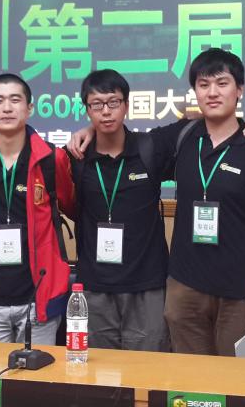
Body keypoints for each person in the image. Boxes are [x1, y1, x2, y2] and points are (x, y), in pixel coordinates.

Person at [70, 48, 245, 356]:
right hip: (184, 289)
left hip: (239, 292)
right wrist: (91, 127)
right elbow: (120, 135)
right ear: (194, 91)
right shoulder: (182, 137)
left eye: (222, 83)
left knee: (236, 378)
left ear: (240, 89)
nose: (212, 92)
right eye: (203, 84)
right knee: (188, 378)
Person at [0, 73, 75, 344]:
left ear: (30, 108)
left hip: (38, 298)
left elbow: (72, 206)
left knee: (37, 373)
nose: (7, 107)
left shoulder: (52, 159)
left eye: (15, 100)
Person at [69, 69, 169, 350]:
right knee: (99, 370)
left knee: (147, 368)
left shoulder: (150, 148)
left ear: (126, 104)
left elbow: (196, 123)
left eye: (113, 102)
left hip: (146, 285)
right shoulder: (76, 157)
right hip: (94, 287)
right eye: (97, 104)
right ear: (86, 109)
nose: (106, 111)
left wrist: (242, 124)